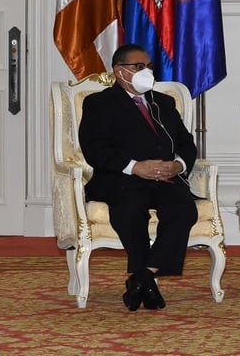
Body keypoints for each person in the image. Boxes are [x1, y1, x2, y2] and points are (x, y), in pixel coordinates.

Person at [78, 43, 199, 312]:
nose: (147, 71)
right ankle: (148, 283)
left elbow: (187, 144)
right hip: (122, 180)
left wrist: (178, 165)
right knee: (129, 210)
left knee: (183, 210)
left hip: (165, 179)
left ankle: (142, 278)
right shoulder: (99, 103)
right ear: (119, 71)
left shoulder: (163, 102)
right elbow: (95, 149)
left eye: (149, 66)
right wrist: (134, 167)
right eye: (138, 67)